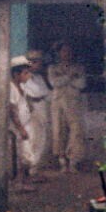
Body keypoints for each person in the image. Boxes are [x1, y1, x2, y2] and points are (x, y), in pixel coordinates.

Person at [46, 42, 87, 171]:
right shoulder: (53, 68)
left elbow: (82, 84)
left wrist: (65, 80)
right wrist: (70, 77)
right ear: (59, 53)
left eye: (69, 51)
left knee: (76, 131)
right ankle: (62, 161)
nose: (66, 54)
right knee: (59, 130)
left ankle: (73, 161)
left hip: (74, 102)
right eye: (63, 51)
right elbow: (54, 83)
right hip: (58, 102)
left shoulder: (79, 68)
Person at [19, 49, 53, 179]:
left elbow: (46, 94)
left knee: (41, 138)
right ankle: (29, 169)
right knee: (31, 138)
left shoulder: (39, 78)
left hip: (41, 106)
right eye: (35, 62)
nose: (38, 65)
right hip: (30, 107)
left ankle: (35, 168)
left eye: (39, 62)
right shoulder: (23, 78)